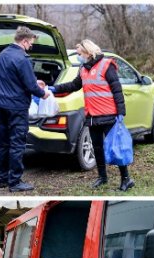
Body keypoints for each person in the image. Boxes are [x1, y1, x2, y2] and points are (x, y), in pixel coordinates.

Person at [49, 40, 134, 191]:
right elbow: (73, 86)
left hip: (109, 115)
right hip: (92, 116)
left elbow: (117, 90)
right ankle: (102, 177)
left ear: (88, 52)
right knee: (97, 148)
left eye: (80, 54)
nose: (79, 57)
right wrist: (53, 89)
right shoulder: (83, 69)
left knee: (117, 148)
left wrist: (121, 112)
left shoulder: (106, 65)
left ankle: (126, 179)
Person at [0, 26, 51, 192]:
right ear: (24, 41)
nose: (30, 47)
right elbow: (30, 85)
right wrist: (43, 93)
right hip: (17, 107)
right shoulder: (23, 58)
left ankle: (3, 179)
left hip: (2, 105)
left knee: (4, 143)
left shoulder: (3, 54)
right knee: (17, 144)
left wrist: (34, 82)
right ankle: (15, 182)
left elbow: (11, 78)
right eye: (30, 44)